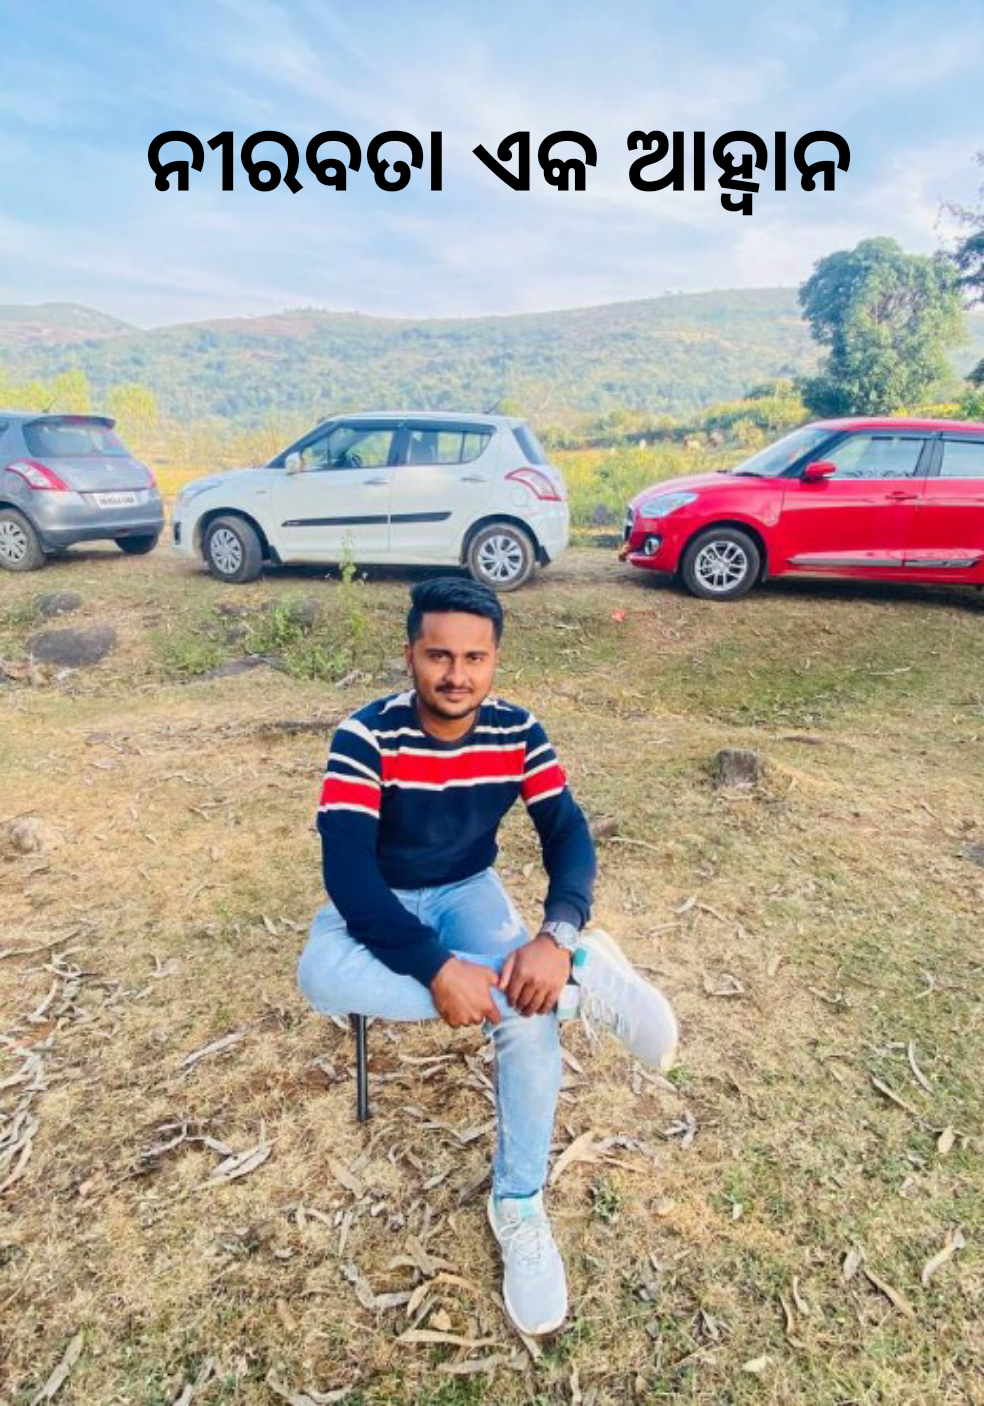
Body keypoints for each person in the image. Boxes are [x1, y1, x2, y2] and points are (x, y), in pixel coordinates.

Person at [298, 577, 678, 1337]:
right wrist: (436, 968)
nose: (456, 674)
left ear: (495, 660)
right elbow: (348, 874)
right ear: (410, 654)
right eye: (438, 655)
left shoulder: (518, 731)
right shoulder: (365, 737)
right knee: (319, 975)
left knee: (528, 1021)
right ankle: (578, 989)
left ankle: (519, 1202)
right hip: (380, 893)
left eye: (474, 658)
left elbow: (566, 831)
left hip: (466, 888)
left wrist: (557, 933)